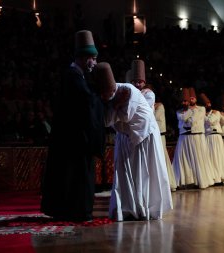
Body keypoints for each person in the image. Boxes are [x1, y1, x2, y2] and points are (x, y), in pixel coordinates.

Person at [91, 62, 173, 221]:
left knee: (143, 170)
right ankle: (128, 207)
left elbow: (126, 116)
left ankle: (145, 206)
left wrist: (115, 107)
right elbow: (107, 121)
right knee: (126, 171)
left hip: (144, 135)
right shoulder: (111, 96)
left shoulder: (128, 91)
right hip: (127, 136)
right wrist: (115, 106)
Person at [40, 30, 106, 221]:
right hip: (73, 139)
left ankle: (68, 209)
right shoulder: (72, 76)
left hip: (71, 138)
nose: (94, 62)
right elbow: (86, 104)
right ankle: (76, 211)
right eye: (92, 58)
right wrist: (102, 99)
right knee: (75, 176)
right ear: (84, 58)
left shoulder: (78, 77)